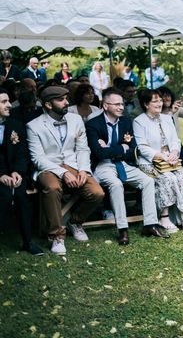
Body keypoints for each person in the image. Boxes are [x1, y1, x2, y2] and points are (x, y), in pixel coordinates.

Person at [27, 86, 105, 255]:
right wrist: (63, 173)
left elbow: (83, 149)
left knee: (97, 192)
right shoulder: (33, 126)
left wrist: (84, 170)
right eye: (61, 100)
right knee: (53, 188)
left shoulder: (76, 120)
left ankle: (75, 222)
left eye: (66, 98)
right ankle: (57, 236)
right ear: (48, 104)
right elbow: (38, 158)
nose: (66, 102)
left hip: (74, 165)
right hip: (48, 166)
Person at [86, 88, 167, 245]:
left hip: (124, 164)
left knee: (148, 181)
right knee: (116, 184)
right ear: (105, 105)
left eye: (122, 104)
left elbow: (134, 151)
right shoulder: (93, 125)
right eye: (116, 104)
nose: (121, 107)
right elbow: (98, 154)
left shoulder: (126, 122)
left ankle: (149, 225)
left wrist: (112, 149)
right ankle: (123, 229)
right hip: (103, 166)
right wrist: (122, 147)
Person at [134, 88, 183, 233]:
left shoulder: (167, 118)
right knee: (167, 178)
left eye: (160, 100)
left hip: (170, 159)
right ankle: (164, 217)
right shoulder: (139, 121)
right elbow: (142, 147)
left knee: (181, 176)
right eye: (155, 101)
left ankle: (181, 216)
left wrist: (173, 152)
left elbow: (175, 140)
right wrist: (162, 156)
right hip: (149, 161)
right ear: (146, 104)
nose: (160, 103)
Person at [0, 88, 43, 255]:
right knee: (3, 197)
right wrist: (1, 175)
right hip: (1, 174)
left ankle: (28, 241)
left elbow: (23, 153)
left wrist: (18, 171)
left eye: (8, 101)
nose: (9, 105)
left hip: (15, 174)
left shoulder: (16, 125)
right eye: (4, 102)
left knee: (21, 197)